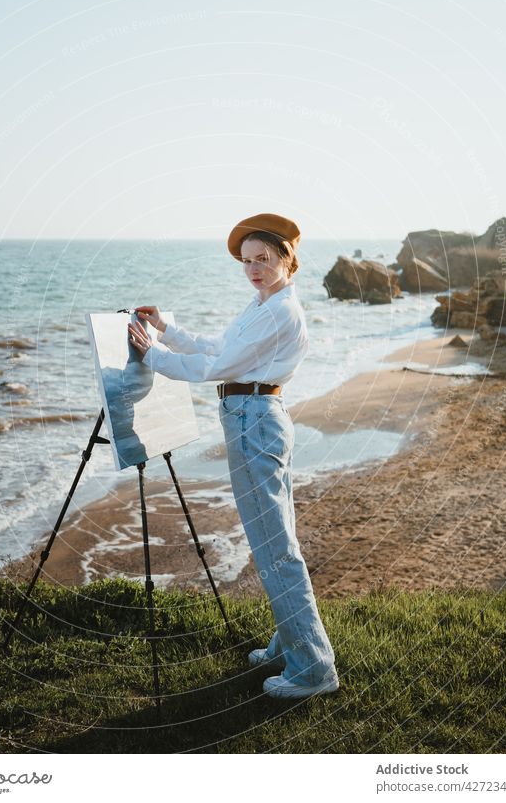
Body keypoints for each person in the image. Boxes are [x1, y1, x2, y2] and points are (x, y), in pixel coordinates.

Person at [127, 213, 339, 699]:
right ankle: (291, 645)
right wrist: (167, 329)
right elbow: (221, 347)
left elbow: (218, 366)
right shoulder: (263, 304)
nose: (253, 269)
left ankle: (313, 669)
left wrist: (152, 354)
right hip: (255, 416)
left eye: (263, 259)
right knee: (278, 542)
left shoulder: (279, 312)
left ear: (287, 258)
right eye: (247, 261)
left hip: (255, 421)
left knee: (274, 548)